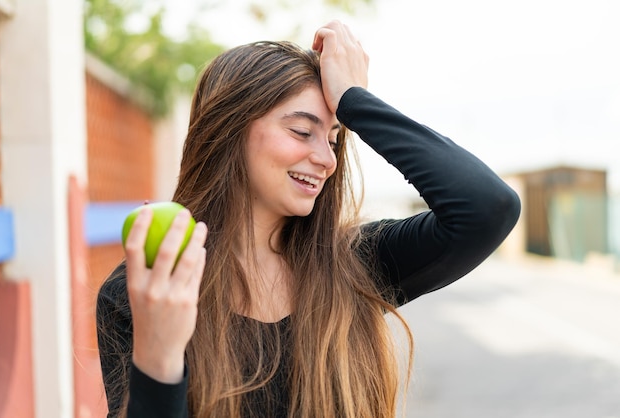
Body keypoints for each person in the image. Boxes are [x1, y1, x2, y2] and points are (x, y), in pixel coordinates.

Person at [96, 20, 521, 418]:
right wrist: (159, 357)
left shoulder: (354, 264)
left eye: (335, 139)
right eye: (302, 132)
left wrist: (355, 101)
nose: (326, 160)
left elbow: (487, 207)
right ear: (228, 130)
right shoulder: (152, 290)